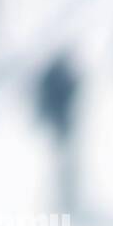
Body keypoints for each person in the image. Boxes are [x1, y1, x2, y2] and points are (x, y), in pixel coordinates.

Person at [35, 55, 81, 213]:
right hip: (61, 129)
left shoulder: (54, 80)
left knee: (63, 166)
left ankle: (65, 199)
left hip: (62, 128)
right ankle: (63, 199)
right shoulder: (58, 81)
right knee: (62, 166)